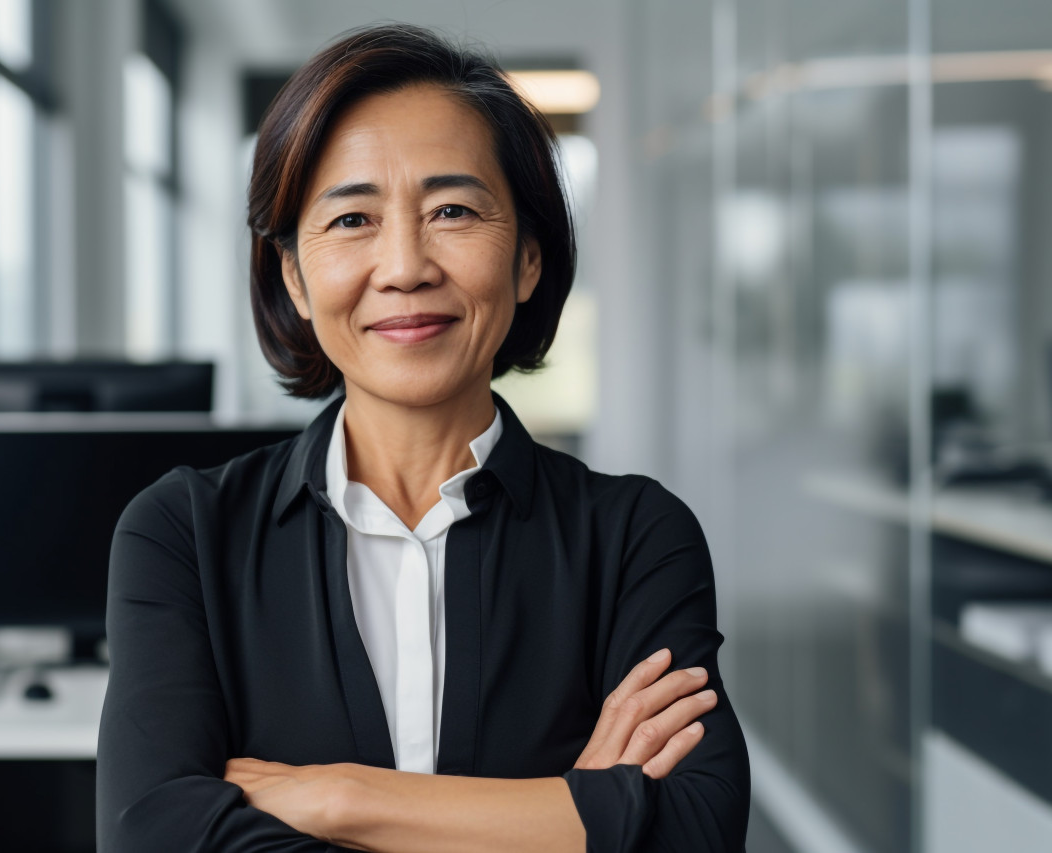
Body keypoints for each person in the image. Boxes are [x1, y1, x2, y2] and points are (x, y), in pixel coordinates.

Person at [97, 23, 750, 852]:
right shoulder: (184, 532)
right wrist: (571, 812)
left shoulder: (633, 538)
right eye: (351, 220)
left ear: (527, 259)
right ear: (294, 275)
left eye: (451, 210)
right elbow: (148, 832)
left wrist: (340, 800)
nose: (404, 265)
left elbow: (696, 829)